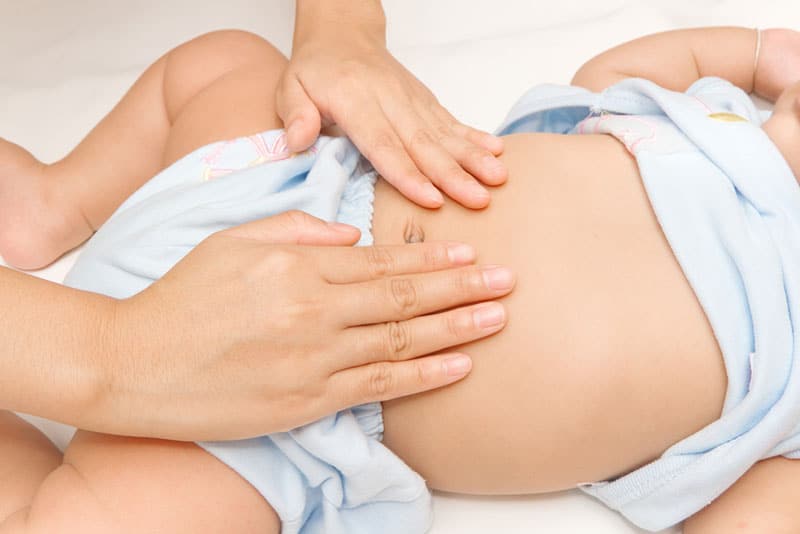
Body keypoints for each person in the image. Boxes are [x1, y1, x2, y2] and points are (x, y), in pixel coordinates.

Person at [2, 23, 798, 534]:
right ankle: (57, 200)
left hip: (287, 416)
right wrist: (756, 51)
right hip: (291, 181)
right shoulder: (719, 130)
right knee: (226, 63)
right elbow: (615, 70)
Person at [0, 0, 511, 444]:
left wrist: (341, 26)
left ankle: (54, 200)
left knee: (225, 62)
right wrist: (119, 350)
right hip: (237, 401)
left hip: (277, 181)